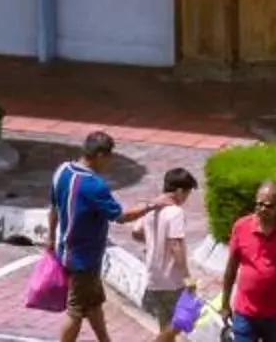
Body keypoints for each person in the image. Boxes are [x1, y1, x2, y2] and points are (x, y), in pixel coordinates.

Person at [54, 131, 160, 342]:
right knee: (76, 310)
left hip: (66, 248)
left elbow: (53, 207)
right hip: (83, 258)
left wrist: (50, 239)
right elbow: (120, 216)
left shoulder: (63, 171)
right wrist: (150, 205)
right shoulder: (94, 185)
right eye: (109, 156)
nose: (110, 162)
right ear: (101, 155)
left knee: (93, 302)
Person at [222, 180, 276, 342]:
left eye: (268, 205)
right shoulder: (241, 227)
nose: (262, 209)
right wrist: (225, 303)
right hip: (245, 313)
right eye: (259, 204)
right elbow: (231, 268)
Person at [137, 168, 198, 342]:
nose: (186, 198)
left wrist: (154, 242)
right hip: (172, 280)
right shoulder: (175, 212)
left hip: (154, 277)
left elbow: (136, 231)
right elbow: (176, 245)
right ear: (179, 191)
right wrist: (188, 278)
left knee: (165, 324)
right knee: (181, 321)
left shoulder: (152, 209)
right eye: (187, 193)